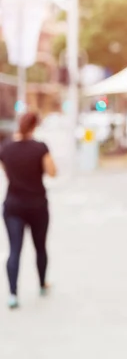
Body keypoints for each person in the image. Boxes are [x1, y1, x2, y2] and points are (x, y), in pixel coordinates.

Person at [0, 112, 57, 309]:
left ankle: (13, 295)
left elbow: (5, 171)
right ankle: (42, 284)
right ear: (35, 126)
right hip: (37, 205)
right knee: (40, 247)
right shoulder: (40, 148)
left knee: (14, 250)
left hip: (13, 205)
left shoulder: (5, 148)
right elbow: (52, 172)